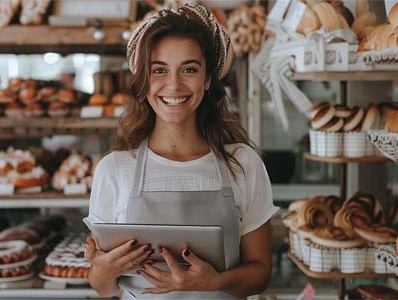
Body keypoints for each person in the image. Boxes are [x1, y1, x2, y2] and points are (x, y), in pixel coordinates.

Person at [85, 4, 278, 299]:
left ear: (208, 79)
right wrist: (103, 271)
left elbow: (261, 273)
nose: (173, 85)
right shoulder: (113, 169)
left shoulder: (243, 163)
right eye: (159, 70)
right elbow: (103, 289)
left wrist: (214, 282)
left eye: (189, 69)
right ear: (143, 81)